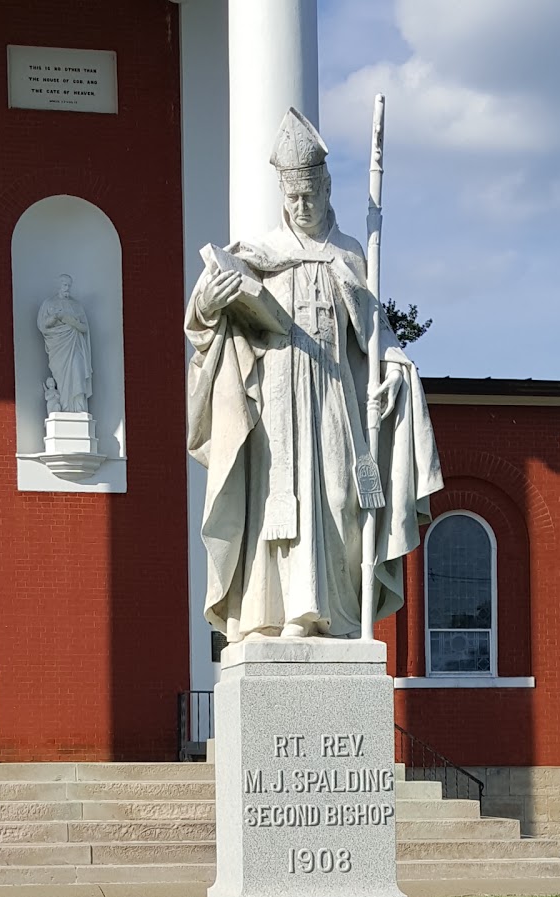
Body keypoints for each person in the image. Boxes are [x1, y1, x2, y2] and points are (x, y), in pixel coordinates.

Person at [185, 108, 442, 641]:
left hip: (333, 391)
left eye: (310, 195)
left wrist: (393, 367)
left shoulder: (349, 253)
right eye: (292, 197)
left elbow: (376, 334)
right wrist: (210, 304)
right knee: (280, 505)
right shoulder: (257, 255)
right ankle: (283, 613)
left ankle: (338, 615)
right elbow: (205, 325)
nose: (301, 207)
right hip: (276, 392)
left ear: (327, 187)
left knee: (343, 500)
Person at [37, 274, 92, 414]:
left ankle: (79, 408)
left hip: (75, 345)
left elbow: (85, 328)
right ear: (58, 286)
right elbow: (43, 326)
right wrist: (55, 317)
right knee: (61, 378)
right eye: (64, 285)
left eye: (69, 285)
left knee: (78, 370)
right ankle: (64, 408)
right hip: (58, 348)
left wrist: (71, 321)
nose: (67, 288)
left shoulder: (76, 305)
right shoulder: (49, 303)